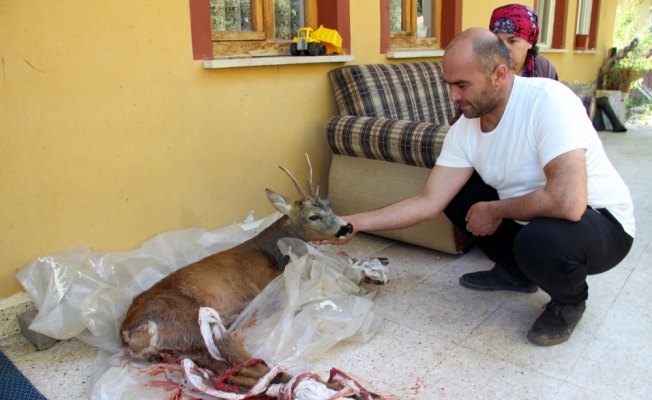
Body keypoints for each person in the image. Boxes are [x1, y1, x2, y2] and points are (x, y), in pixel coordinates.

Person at [315, 28, 635, 346]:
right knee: (459, 197)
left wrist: (495, 209)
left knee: (538, 241)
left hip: (601, 222)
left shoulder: (548, 102)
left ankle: (569, 301)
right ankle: (517, 274)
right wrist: (352, 223)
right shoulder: (465, 130)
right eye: (449, 85)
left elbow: (568, 202)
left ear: (499, 75)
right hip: (540, 217)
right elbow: (429, 201)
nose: (453, 96)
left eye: (462, 85)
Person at [489, 4, 558, 79]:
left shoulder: (544, 69)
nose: (503, 47)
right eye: (498, 40)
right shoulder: (483, 66)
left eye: (512, 41)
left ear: (530, 42)